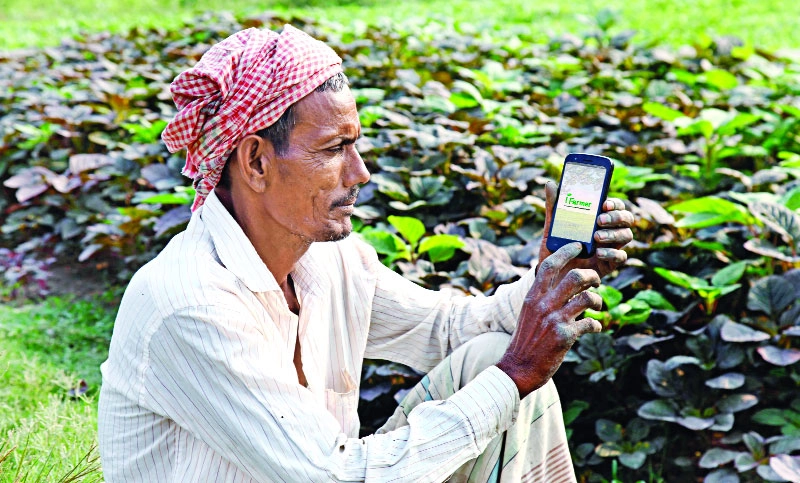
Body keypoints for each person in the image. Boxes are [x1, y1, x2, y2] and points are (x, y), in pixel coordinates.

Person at [97, 25, 634, 482]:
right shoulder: (190, 303)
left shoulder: (328, 257)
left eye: (356, 145)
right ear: (256, 161)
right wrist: (517, 371)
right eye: (333, 149)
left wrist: (552, 276)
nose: (360, 173)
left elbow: (446, 331)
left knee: (490, 358)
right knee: (509, 375)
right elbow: (337, 475)